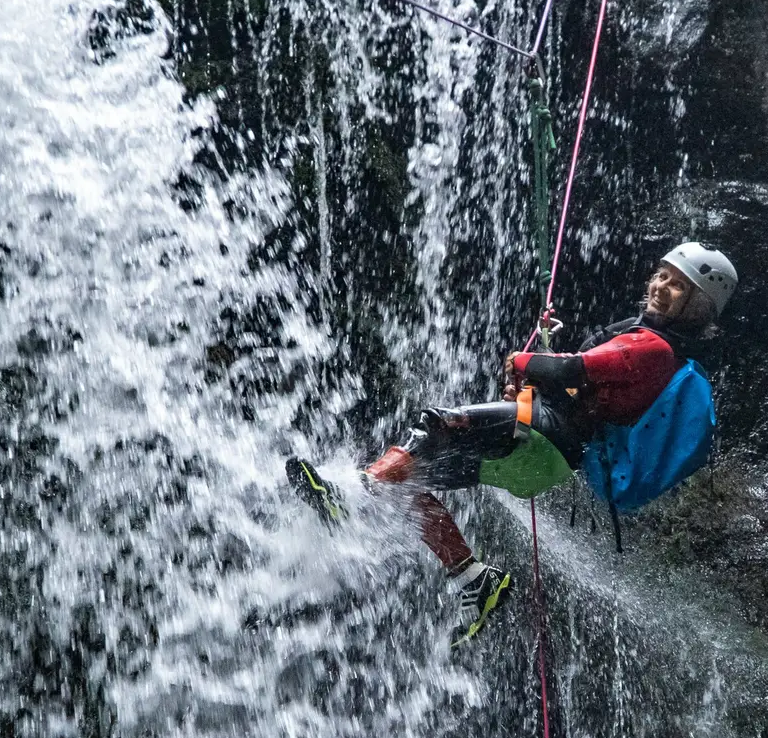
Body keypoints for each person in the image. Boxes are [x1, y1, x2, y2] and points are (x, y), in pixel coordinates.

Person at [289, 241, 738, 643]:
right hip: (545, 458)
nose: (661, 286)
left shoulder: (656, 349)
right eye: (662, 274)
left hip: (545, 437)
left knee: (436, 425)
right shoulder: (645, 341)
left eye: (679, 286)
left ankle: (356, 490)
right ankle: (474, 579)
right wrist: (530, 384)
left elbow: (567, 372)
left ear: (697, 306)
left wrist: (522, 360)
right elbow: (582, 388)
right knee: (410, 481)